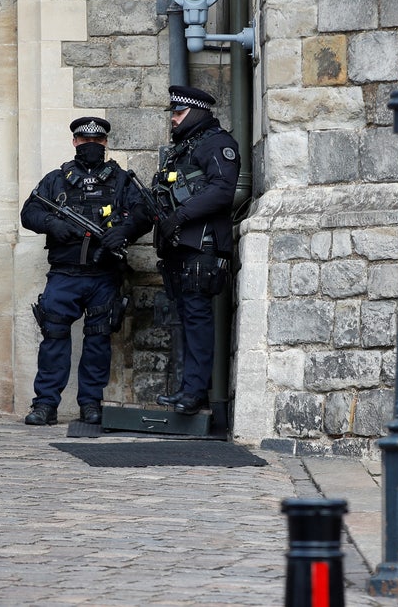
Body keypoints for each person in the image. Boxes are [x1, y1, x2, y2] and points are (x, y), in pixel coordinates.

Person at [19, 117, 152, 426]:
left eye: (97, 141)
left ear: (105, 143)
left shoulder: (121, 180)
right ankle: (45, 404)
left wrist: (124, 232)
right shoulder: (56, 180)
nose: (90, 145)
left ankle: (91, 403)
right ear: (74, 142)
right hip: (65, 274)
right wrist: (54, 224)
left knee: (98, 340)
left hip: (103, 274)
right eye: (83, 140)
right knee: (53, 337)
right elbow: (30, 212)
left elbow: (144, 213)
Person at [149, 85, 240, 416]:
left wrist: (180, 216)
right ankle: (189, 390)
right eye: (173, 113)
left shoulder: (217, 144)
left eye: (179, 113)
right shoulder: (181, 151)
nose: (173, 119)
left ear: (197, 112)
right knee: (186, 319)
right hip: (180, 249)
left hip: (201, 247)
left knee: (197, 319)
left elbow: (222, 191)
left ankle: (195, 393)